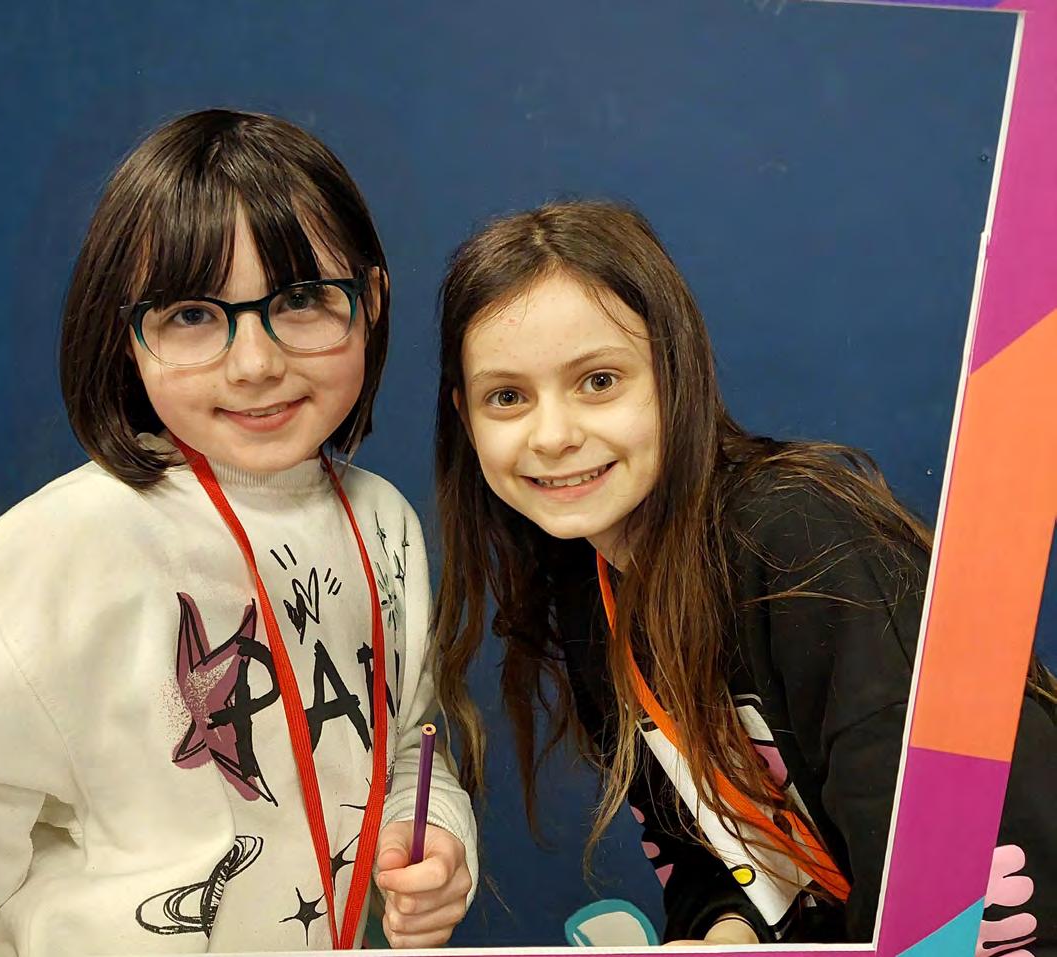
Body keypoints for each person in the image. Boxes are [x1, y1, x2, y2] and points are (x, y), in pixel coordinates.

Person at [0, 109, 475, 955]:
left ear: (370, 301)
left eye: (301, 300)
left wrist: (433, 832)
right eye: (193, 314)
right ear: (128, 335)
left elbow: (405, 740)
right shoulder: (69, 544)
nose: (255, 363)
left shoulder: (383, 520)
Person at [429, 199, 1056, 946]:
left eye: (598, 381)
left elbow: (958, 874)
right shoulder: (589, 589)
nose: (553, 435)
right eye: (507, 397)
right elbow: (710, 858)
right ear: (465, 417)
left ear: (676, 374)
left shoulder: (797, 538)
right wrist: (725, 936)